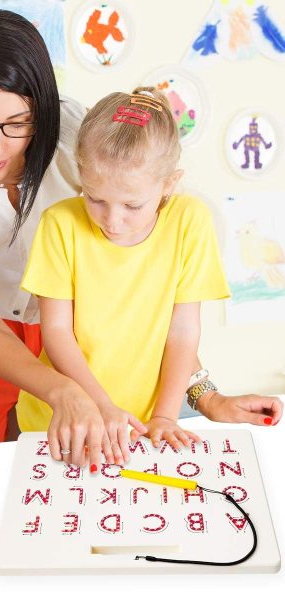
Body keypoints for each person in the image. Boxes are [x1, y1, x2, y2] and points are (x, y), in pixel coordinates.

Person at [0, 9, 282, 464]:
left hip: (79, 330)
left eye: (18, 122)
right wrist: (63, 389)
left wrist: (204, 394)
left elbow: (149, 294)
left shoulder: (77, 134)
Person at [17, 88, 282, 464]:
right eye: (94, 198)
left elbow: (182, 331)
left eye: (132, 205)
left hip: (149, 420)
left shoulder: (190, 221)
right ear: (81, 176)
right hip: (63, 422)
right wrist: (101, 406)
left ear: (168, 185)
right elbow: (57, 332)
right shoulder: (59, 224)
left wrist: (165, 416)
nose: (112, 220)